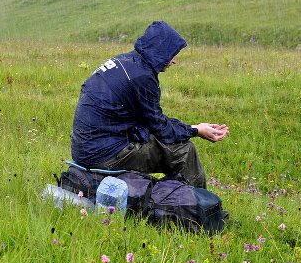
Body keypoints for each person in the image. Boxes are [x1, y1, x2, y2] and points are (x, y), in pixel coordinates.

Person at [70, 21, 228, 189]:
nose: (175, 61)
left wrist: (192, 127)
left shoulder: (124, 61)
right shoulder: (142, 77)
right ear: (161, 50)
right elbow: (161, 128)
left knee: (157, 141)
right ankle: (199, 209)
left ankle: (173, 198)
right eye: (173, 54)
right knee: (183, 151)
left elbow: (151, 121)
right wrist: (196, 130)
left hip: (85, 148)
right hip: (102, 155)